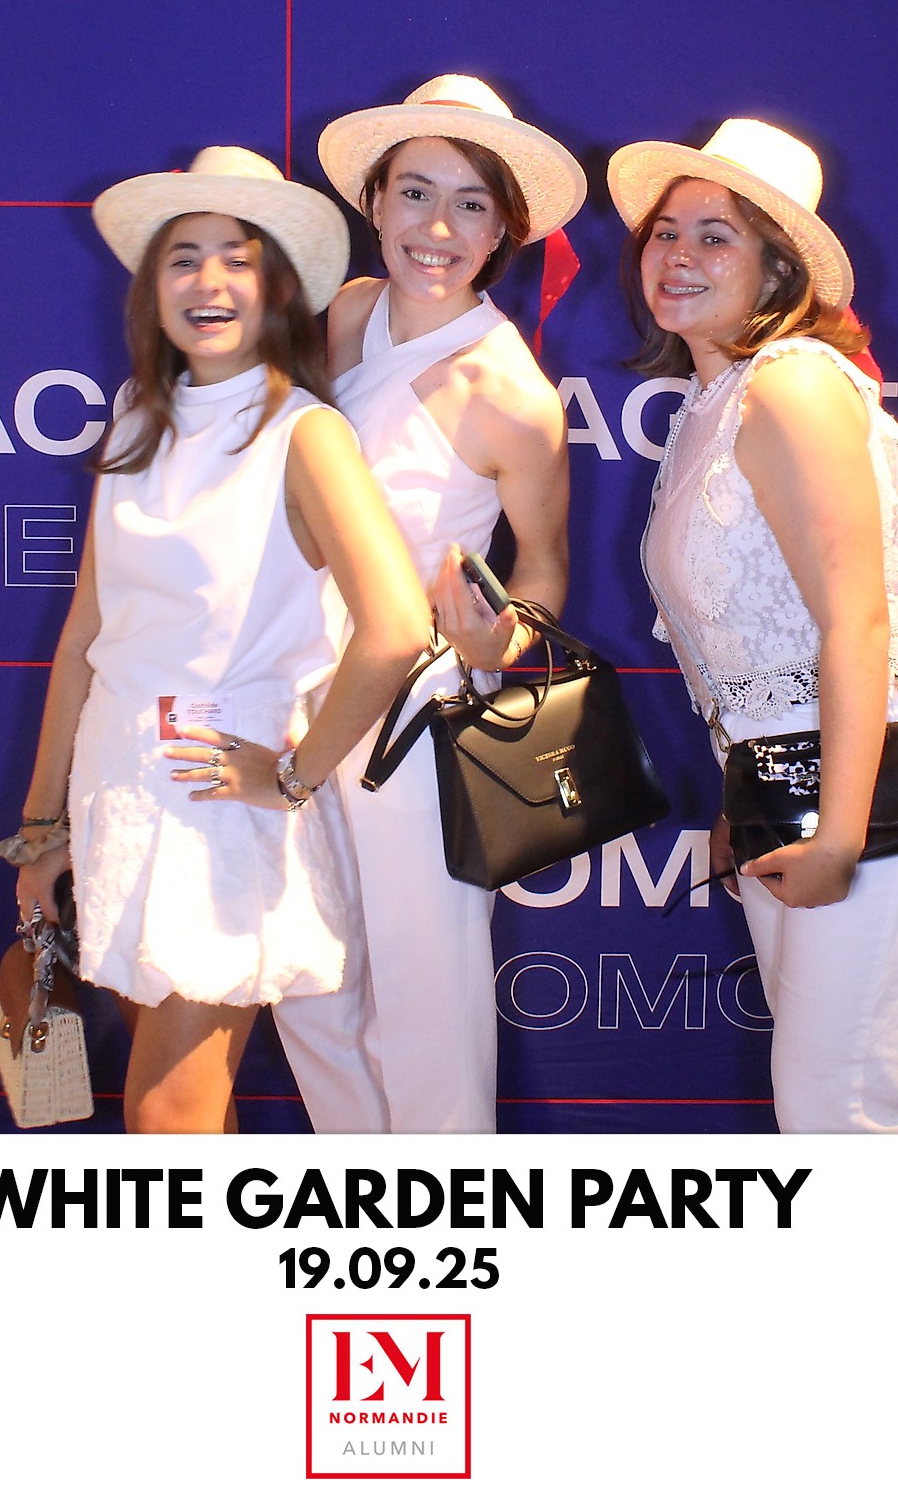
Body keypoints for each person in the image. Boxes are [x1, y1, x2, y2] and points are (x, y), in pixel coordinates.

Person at [0, 146, 432, 1134]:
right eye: (184, 258)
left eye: (239, 259)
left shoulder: (305, 432)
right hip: (117, 788)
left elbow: (396, 628)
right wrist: (42, 824)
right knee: (191, 1119)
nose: (209, 281)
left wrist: (292, 777)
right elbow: (87, 633)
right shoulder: (133, 419)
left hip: (216, 801)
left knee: (164, 1122)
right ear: (152, 286)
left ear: (279, 288)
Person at [606, 117, 898, 1133]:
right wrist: (742, 792)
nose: (679, 255)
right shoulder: (712, 402)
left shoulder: (792, 384)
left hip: (879, 777)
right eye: (667, 233)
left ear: (779, 268)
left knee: (835, 1099)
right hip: (779, 783)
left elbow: (857, 622)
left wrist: (842, 829)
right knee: (822, 1101)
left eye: (717, 237)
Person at [274, 74, 588, 1132]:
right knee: (309, 982)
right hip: (288, 693)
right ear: (374, 200)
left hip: (414, 717)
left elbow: (543, 566)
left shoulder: (511, 395)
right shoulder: (346, 313)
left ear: (504, 230)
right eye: (415, 192)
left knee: (425, 1001)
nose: (437, 229)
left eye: (470, 203)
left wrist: (500, 641)